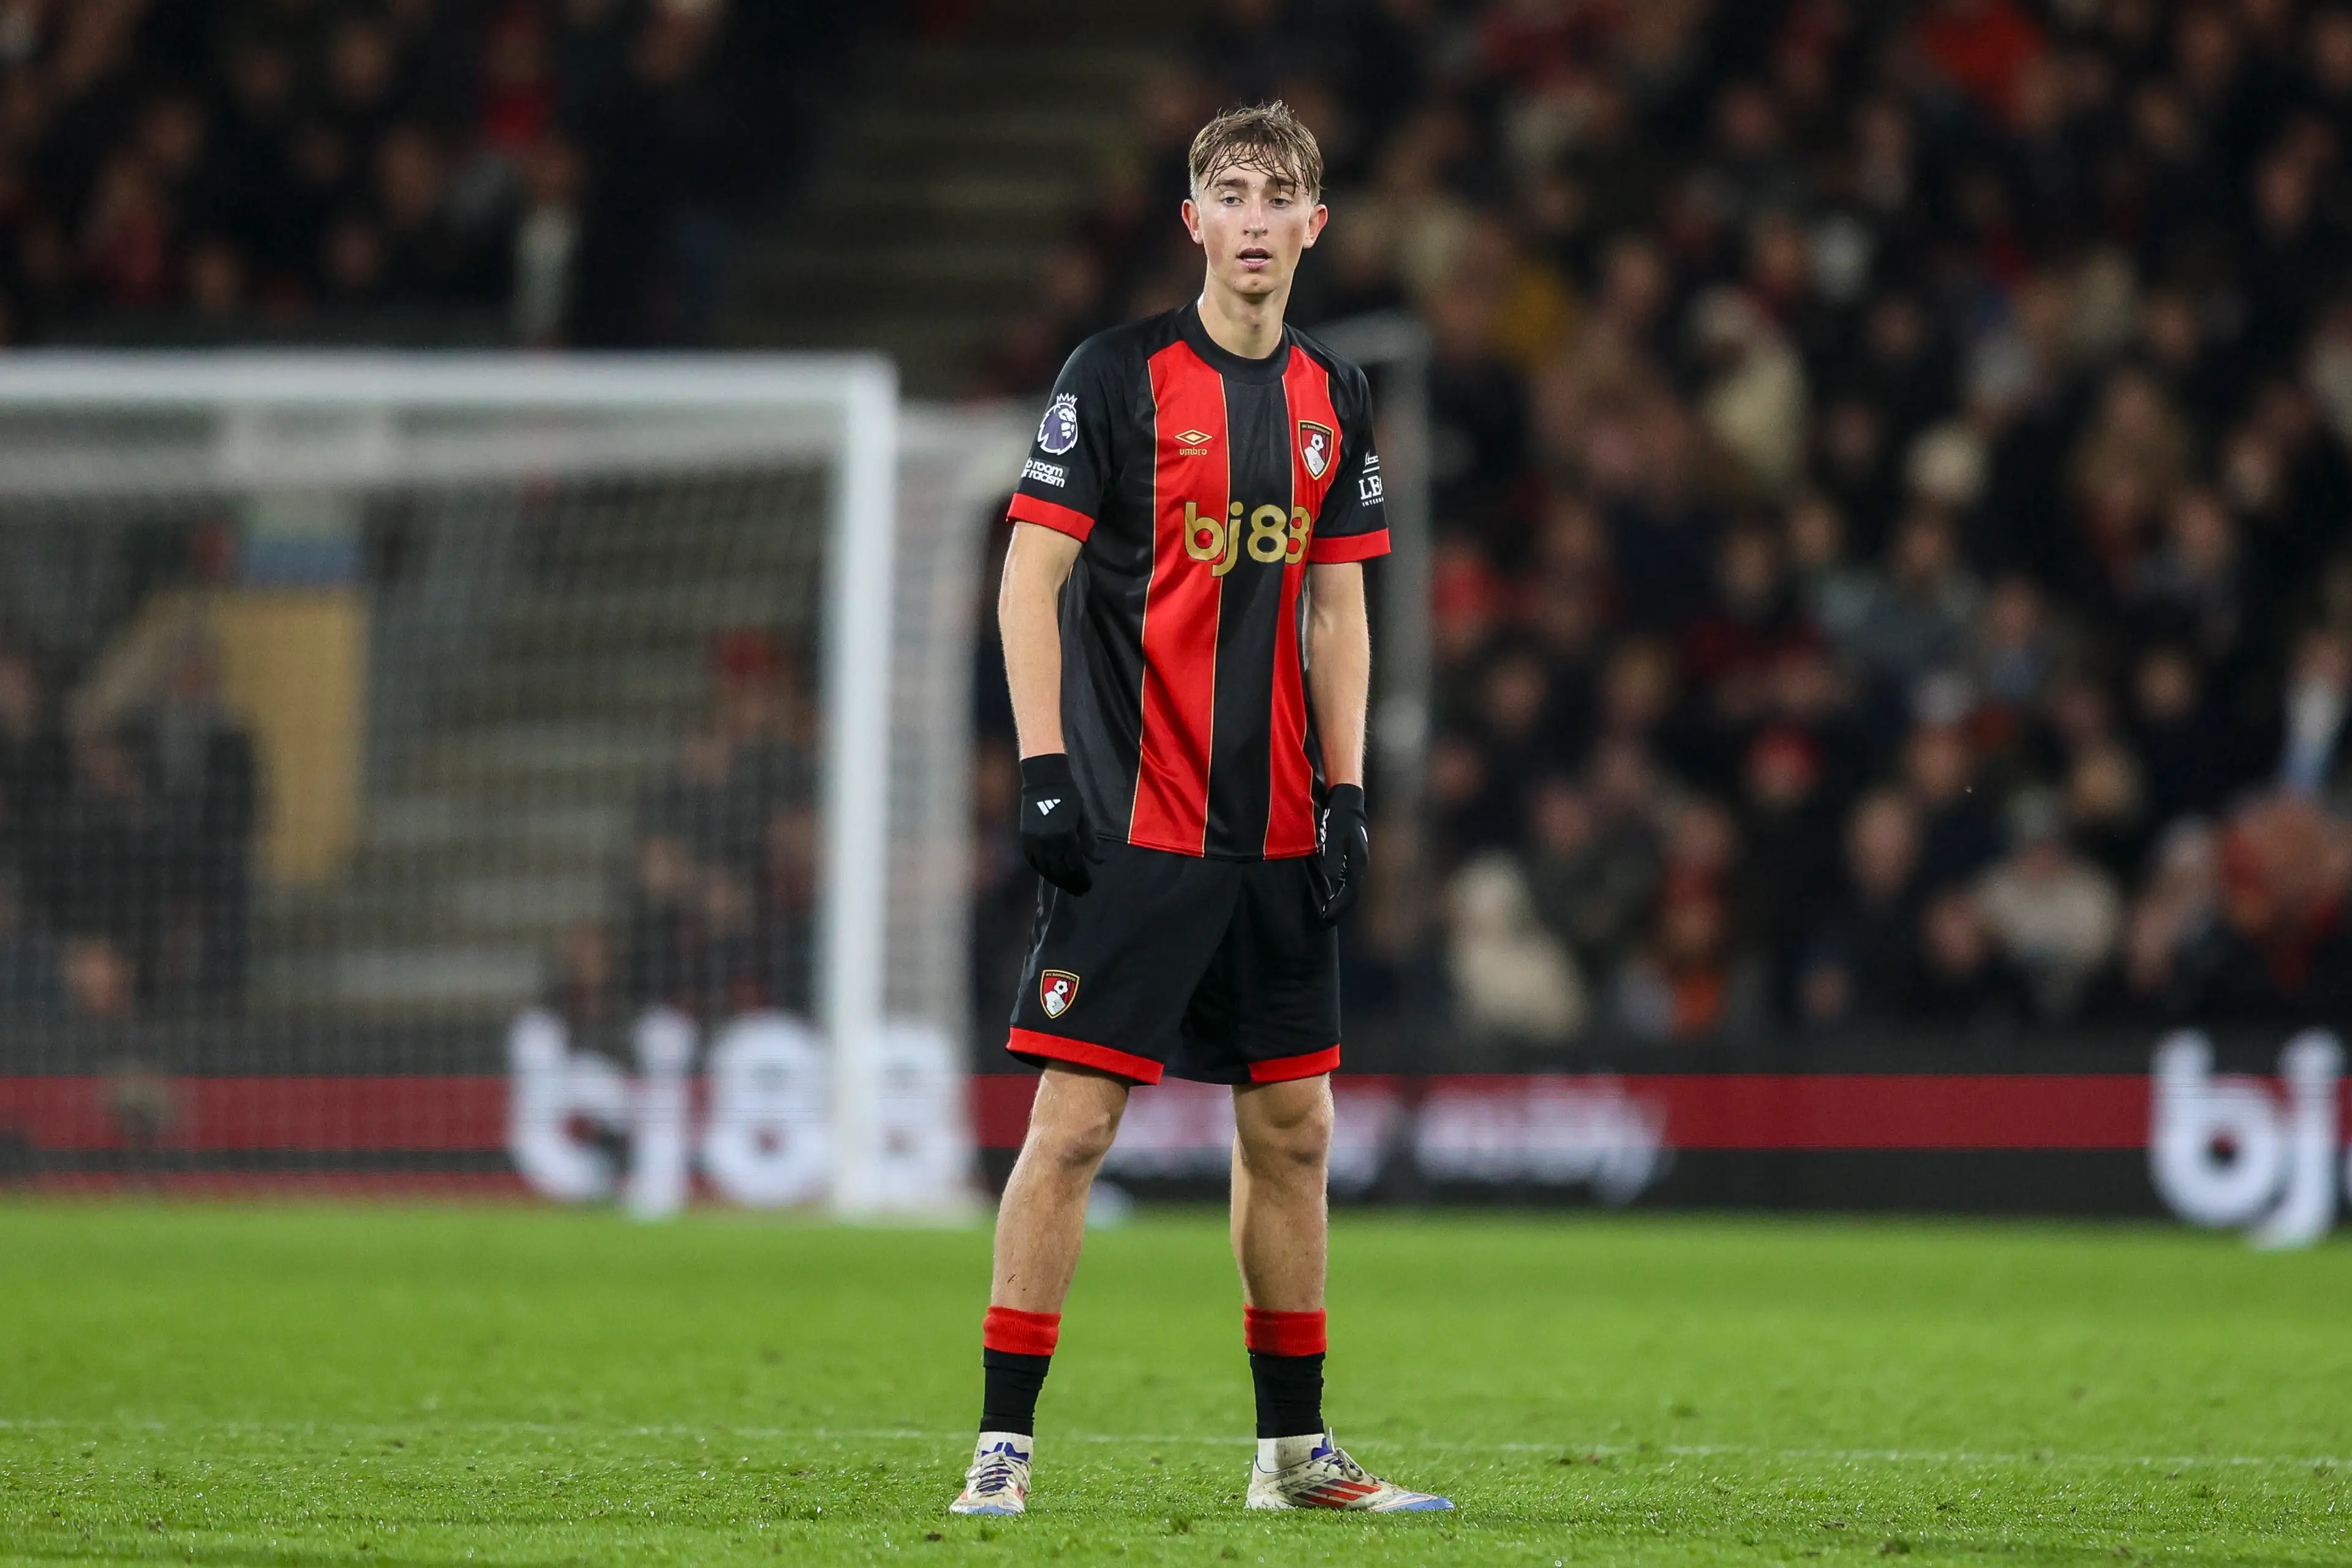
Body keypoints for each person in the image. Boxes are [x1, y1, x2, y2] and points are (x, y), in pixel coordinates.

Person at [951, 102, 1450, 1518]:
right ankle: (1003, 1445)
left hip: (1278, 835)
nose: (1252, 218)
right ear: (1192, 221)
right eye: (1228, 192)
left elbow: (1341, 606)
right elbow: (1029, 576)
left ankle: (1292, 1454)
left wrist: (1346, 789)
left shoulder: (1336, 394)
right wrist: (1044, 765)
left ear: (1314, 226)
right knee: (1074, 1126)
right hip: (1136, 823)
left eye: (1277, 195)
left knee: (1293, 1128)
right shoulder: (1114, 379)